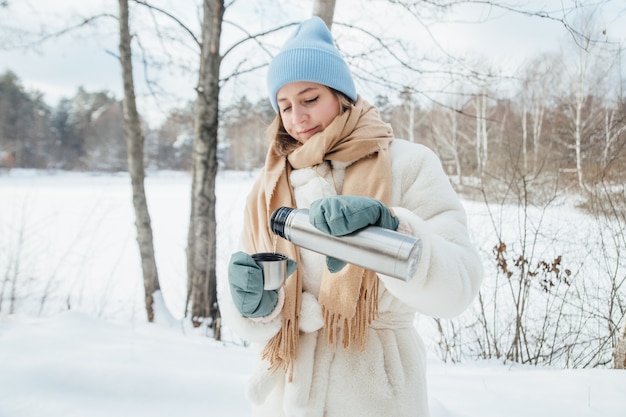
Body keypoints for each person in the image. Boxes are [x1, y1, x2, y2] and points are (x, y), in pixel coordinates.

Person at [220, 16, 483, 417]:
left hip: (376, 394)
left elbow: (460, 285)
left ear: (341, 95)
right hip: (288, 396)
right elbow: (259, 300)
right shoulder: (271, 186)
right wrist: (253, 304)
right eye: (285, 106)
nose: (297, 119)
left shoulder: (408, 165)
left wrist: (394, 232)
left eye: (310, 100)